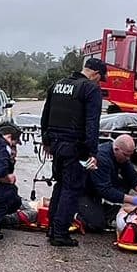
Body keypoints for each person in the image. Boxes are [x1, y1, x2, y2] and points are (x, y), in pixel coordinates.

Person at [39, 56, 105, 247]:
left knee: (61, 185)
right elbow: (92, 122)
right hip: (76, 147)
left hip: (56, 145)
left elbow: (46, 114)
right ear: (95, 74)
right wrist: (93, 152)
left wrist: (46, 141)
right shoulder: (90, 89)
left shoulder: (58, 85)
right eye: (100, 78)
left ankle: (52, 228)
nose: (99, 82)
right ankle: (60, 233)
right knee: (72, 188)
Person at [79, 132, 137, 233]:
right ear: (116, 149)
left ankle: (101, 210)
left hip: (96, 191)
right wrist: (132, 199)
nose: (128, 158)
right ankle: (74, 212)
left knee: (124, 186)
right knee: (96, 224)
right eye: (126, 155)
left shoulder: (121, 155)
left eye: (130, 155)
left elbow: (132, 175)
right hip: (83, 191)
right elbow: (105, 190)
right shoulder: (102, 158)